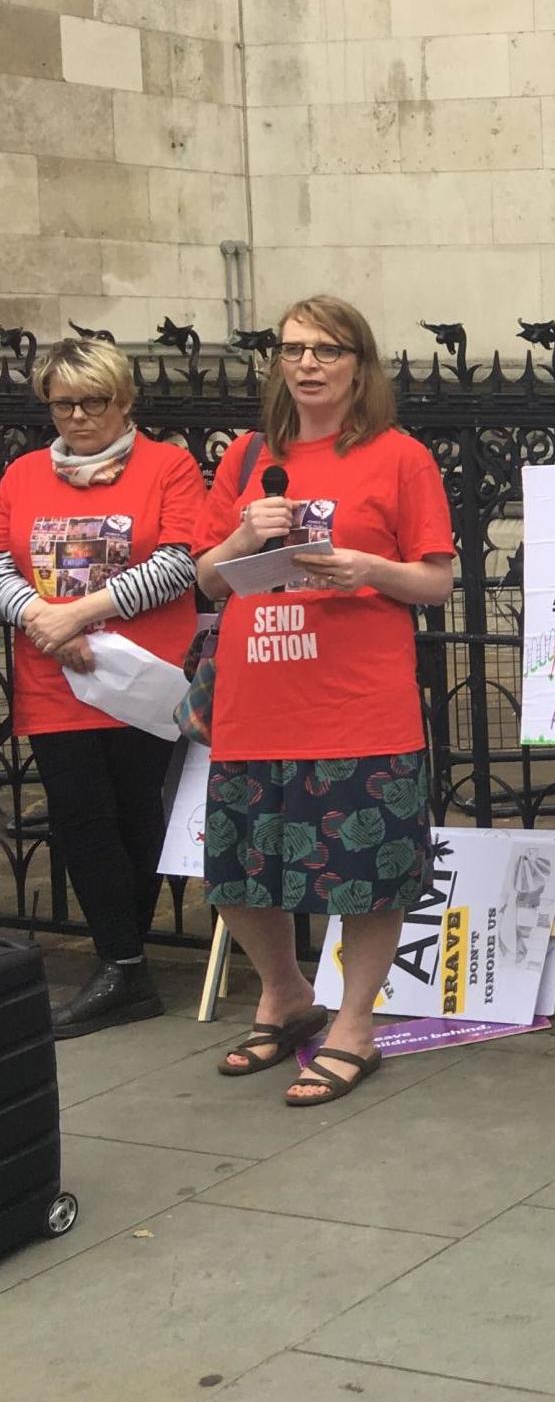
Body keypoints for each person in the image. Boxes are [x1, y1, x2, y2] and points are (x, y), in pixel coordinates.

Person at [193, 297, 455, 1104]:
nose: (307, 364)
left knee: (363, 876)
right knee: (237, 874)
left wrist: (368, 570)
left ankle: (354, 1023)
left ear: (358, 365)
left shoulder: (398, 457)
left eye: (327, 350)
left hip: (356, 704)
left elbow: (437, 581)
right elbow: (204, 578)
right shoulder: (244, 457)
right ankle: (284, 993)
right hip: (256, 700)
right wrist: (241, 538)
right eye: (293, 349)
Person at [0, 338, 204, 1035]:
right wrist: (39, 618)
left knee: (137, 814)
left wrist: (78, 614)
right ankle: (123, 963)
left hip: (139, 675)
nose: (79, 415)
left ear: (124, 402)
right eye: (64, 403)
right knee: (80, 819)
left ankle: (125, 965)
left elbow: (180, 562)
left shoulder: (168, 465)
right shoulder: (22, 474)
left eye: (96, 401)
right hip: (55, 675)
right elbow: (1, 565)